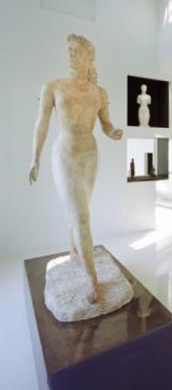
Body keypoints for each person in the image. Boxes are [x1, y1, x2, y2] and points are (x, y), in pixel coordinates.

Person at [29, 34, 122, 303]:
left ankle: (73, 252)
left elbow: (105, 123)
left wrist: (113, 132)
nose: (70, 54)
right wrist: (35, 157)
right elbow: (42, 123)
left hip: (90, 155)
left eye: (76, 51)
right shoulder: (54, 86)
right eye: (68, 49)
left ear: (89, 57)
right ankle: (92, 277)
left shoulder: (99, 92)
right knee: (81, 217)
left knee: (80, 211)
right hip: (65, 155)